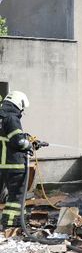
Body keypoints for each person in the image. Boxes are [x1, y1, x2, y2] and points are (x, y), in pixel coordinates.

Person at [0, 91, 41, 228]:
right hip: (14, 164)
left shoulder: (2, 117)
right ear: (18, 104)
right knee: (16, 197)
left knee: (10, 197)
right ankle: (11, 224)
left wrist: (27, 138)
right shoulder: (11, 118)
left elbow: (9, 137)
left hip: (3, 164)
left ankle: (15, 221)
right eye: (22, 108)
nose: (22, 111)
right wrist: (29, 144)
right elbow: (18, 142)